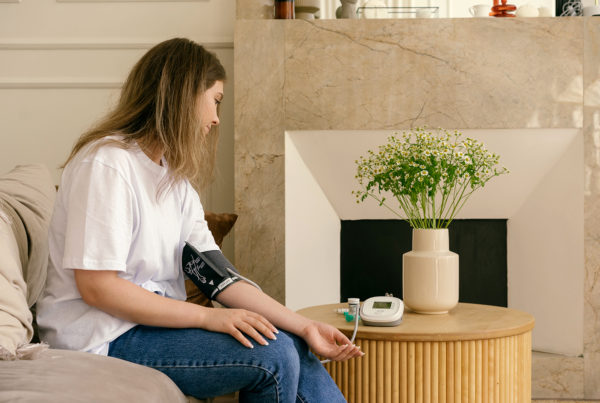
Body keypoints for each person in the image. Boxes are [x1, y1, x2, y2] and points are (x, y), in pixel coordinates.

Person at [36, 38, 362, 402]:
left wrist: (305, 326)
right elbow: (98, 287)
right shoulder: (108, 164)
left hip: (146, 329)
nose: (216, 118)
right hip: (100, 336)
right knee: (272, 355)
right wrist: (209, 318)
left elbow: (219, 277)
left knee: (287, 341)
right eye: (215, 100)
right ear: (183, 94)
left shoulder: (174, 181)